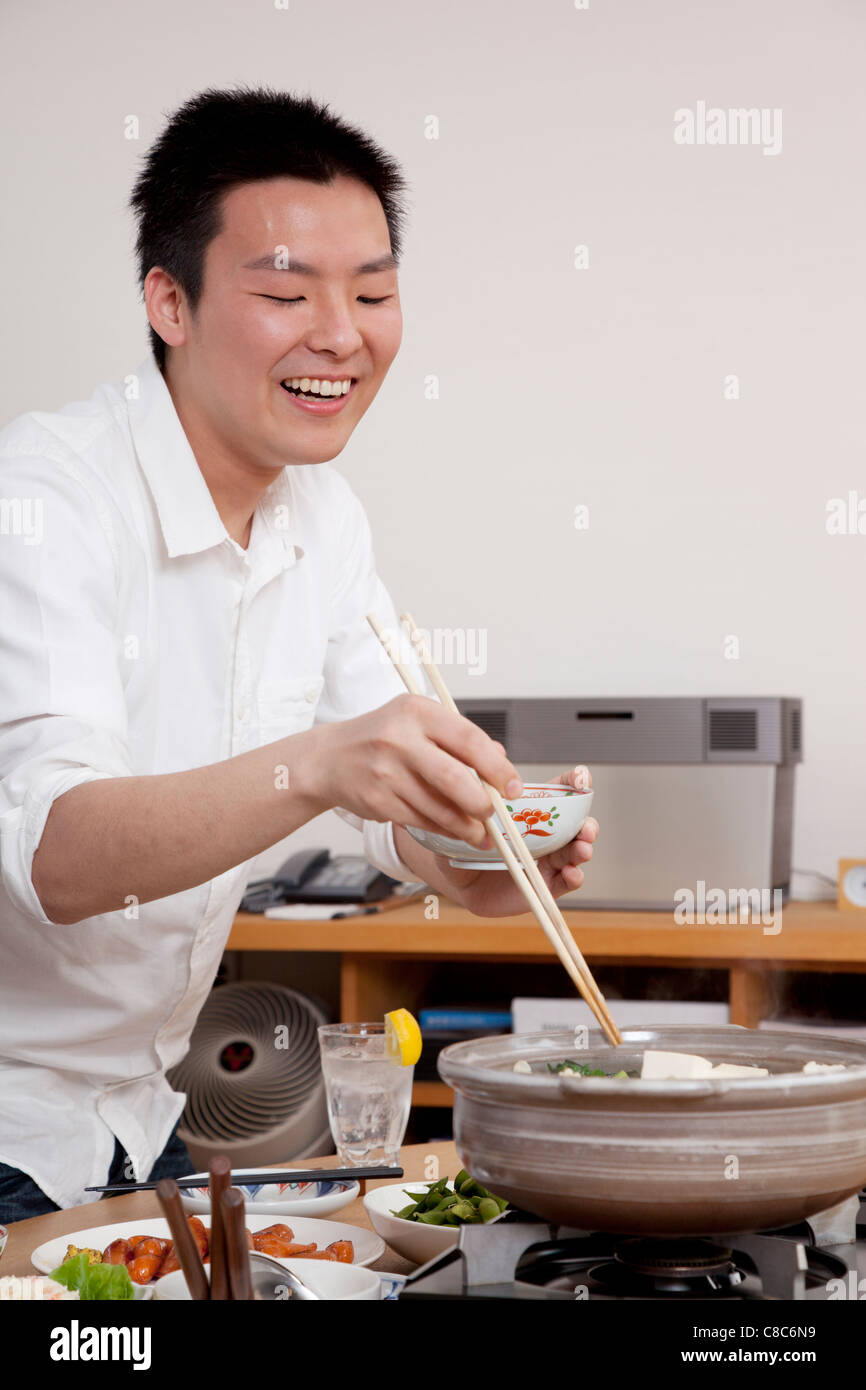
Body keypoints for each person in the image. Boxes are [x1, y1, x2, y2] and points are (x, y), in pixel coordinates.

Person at [0, 87, 598, 1220]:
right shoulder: (44, 501)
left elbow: (392, 807)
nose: (341, 332)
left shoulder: (321, 517)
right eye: (285, 292)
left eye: (371, 291)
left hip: (139, 1116)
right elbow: (57, 862)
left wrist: (482, 849)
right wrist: (317, 766)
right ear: (167, 301)